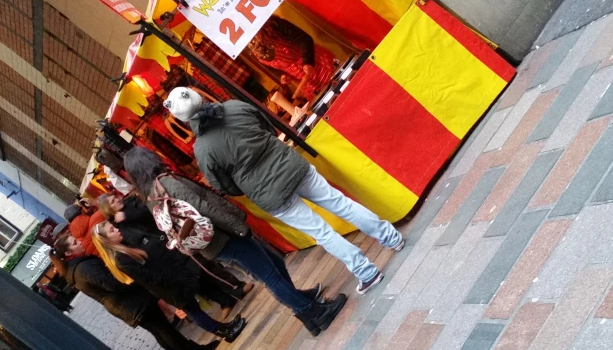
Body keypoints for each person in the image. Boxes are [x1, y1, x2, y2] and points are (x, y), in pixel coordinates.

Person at [163, 87, 405, 295]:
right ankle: (392, 238)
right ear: (198, 96)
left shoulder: (203, 149)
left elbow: (223, 186)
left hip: (269, 193)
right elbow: (268, 128)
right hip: (291, 165)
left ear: (183, 119)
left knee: (321, 232)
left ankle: (367, 272)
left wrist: (248, 183)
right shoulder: (235, 106)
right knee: (340, 203)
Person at [123, 147, 344, 336]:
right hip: (223, 235)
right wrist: (237, 225)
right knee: (268, 274)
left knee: (274, 264)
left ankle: (302, 303)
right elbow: (204, 207)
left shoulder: (151, 197)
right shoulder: (167, 183)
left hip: (209, 243)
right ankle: (312, 312)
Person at [50, 229, 218, 350]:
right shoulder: (83, 268)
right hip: (132, 302)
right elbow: (112, 283)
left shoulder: (75, 270)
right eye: (74, 243)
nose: (79, 242)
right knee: (164, 330)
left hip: (127, 305)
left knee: (160, 331)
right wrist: (134, 282)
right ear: (69, 253)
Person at [90, 221, 246, 343]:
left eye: (113, 228)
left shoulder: (125, 249)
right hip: (167, 287)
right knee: (193, 310)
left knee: (194, 307)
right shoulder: (121, 259)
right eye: (112, 231)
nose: (116, 230)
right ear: (107, 241)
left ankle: (225, 328)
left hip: (170, 280)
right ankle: (225, 332)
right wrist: (170, 280)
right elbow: (147, 277)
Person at [97, 192, 253, 308]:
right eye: (112, 201)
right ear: (108, 209)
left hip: (170, 241)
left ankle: (237, 287)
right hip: (159, 256)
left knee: (205, 267)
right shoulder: (115, 227)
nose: (117, 200)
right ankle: (225, 301)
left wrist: (128, 215)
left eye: (115, 197)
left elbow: (150, 213)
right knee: (194, 279)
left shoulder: (132, 204)